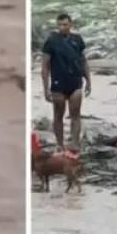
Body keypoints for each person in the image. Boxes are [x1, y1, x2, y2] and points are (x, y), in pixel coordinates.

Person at [40, 13, 91, 153]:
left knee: (75, 115)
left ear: (70, 25)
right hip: (58, 84)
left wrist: (88, 80)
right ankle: (60, 144)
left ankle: (75, 144)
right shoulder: (51, 41)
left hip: (75, 82)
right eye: (60, 25)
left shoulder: (77, 39)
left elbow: (83, 61)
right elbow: (45, 66)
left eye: (65, 25)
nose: (62, 27)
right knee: (58, 115)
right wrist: (46, 88)